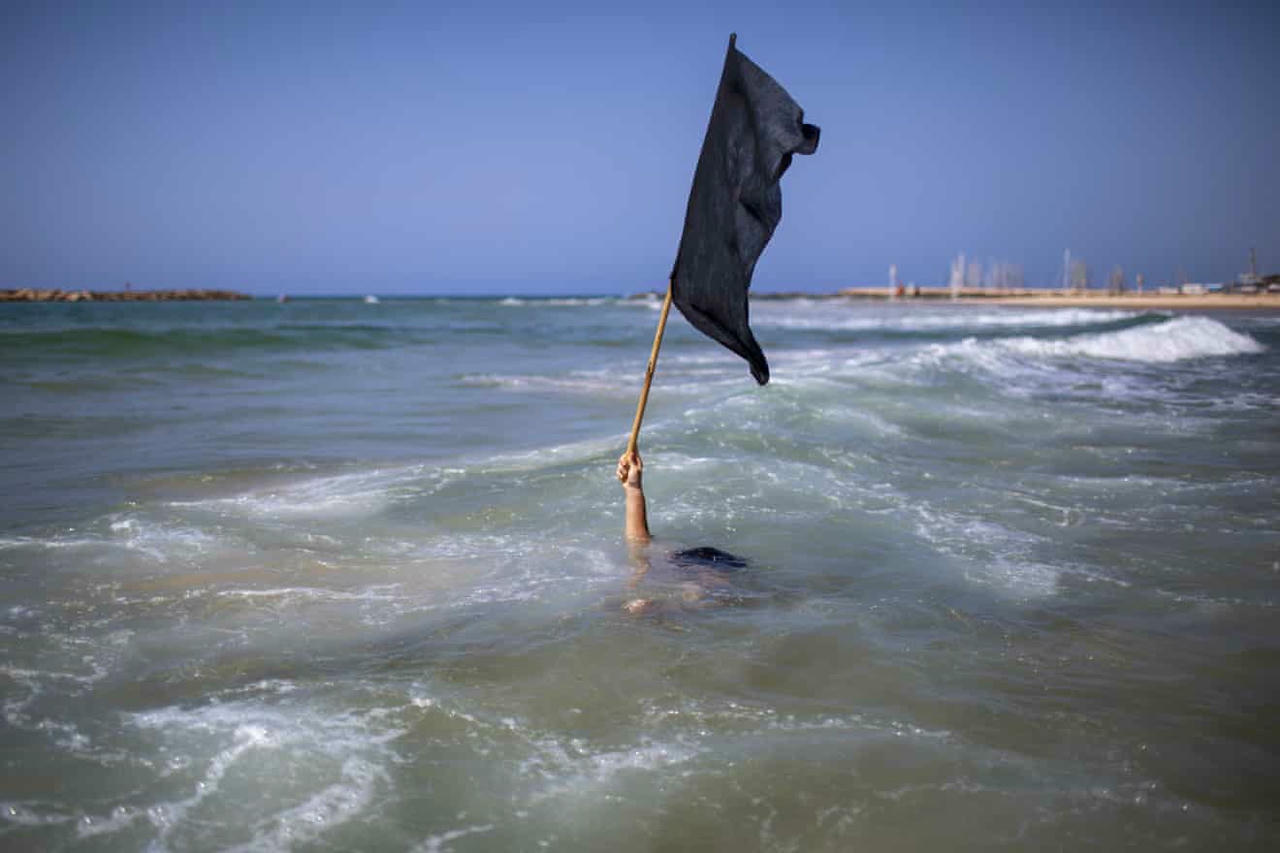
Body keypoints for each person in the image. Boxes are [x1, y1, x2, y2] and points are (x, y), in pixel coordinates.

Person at [615, 450, 747, 614]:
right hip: (690, 563)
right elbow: (638, 541)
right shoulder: (671, 572)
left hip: (702, 566)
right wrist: (632, 487)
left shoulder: (699, 589)